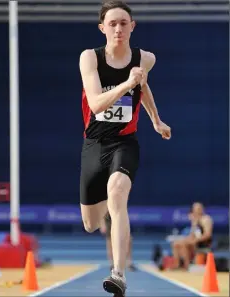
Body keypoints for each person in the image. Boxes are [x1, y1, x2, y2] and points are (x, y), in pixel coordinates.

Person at [79, 1, 171, 295]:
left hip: (124, 141)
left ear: (132, 26)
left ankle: (118, 274)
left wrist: (156, 119)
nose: (118, 29)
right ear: (102, 28)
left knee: (118, 191)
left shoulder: (145, 59)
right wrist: (126, 83)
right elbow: (95, 104)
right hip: (94, 142)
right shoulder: (90, 59)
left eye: (123, 23)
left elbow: (142, 87)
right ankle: (107, 208)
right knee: (91, 224)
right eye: (112, 23)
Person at [172, 202, 213, 270]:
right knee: (176, 243)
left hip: (203, 242)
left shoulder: (206, 219)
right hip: (195, 240)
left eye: (198, 209)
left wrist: (195, 240)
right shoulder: (195, 220)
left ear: (202, 209)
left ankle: (186, 265)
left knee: (184, 244)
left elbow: (207, 234)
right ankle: (177, 264)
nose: (196, 211)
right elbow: (193, 234)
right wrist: (188, 238)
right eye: (195, 209)